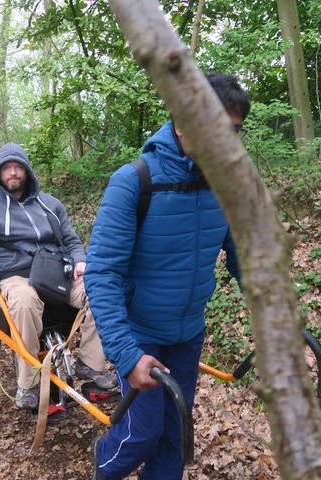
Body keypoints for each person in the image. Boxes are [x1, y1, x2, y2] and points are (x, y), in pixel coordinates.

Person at [84, 73, 249, 480]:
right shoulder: (133, 182)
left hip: (188, 334)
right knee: (142, 433)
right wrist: (127, 354)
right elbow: (102, 274)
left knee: (175, 435)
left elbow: (244, 255)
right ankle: (102, 468)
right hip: (140, 333)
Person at [0, 142, 116, 410]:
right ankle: (30, 384)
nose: (13, 173)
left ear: (27, 171)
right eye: (7, 169)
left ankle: (91, 364)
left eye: (18, 167)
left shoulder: (50, 204)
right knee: (25, 300)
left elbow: (71, 240)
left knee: (101, 289)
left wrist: (81, 261)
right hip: (15, 276)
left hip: (56, 271)